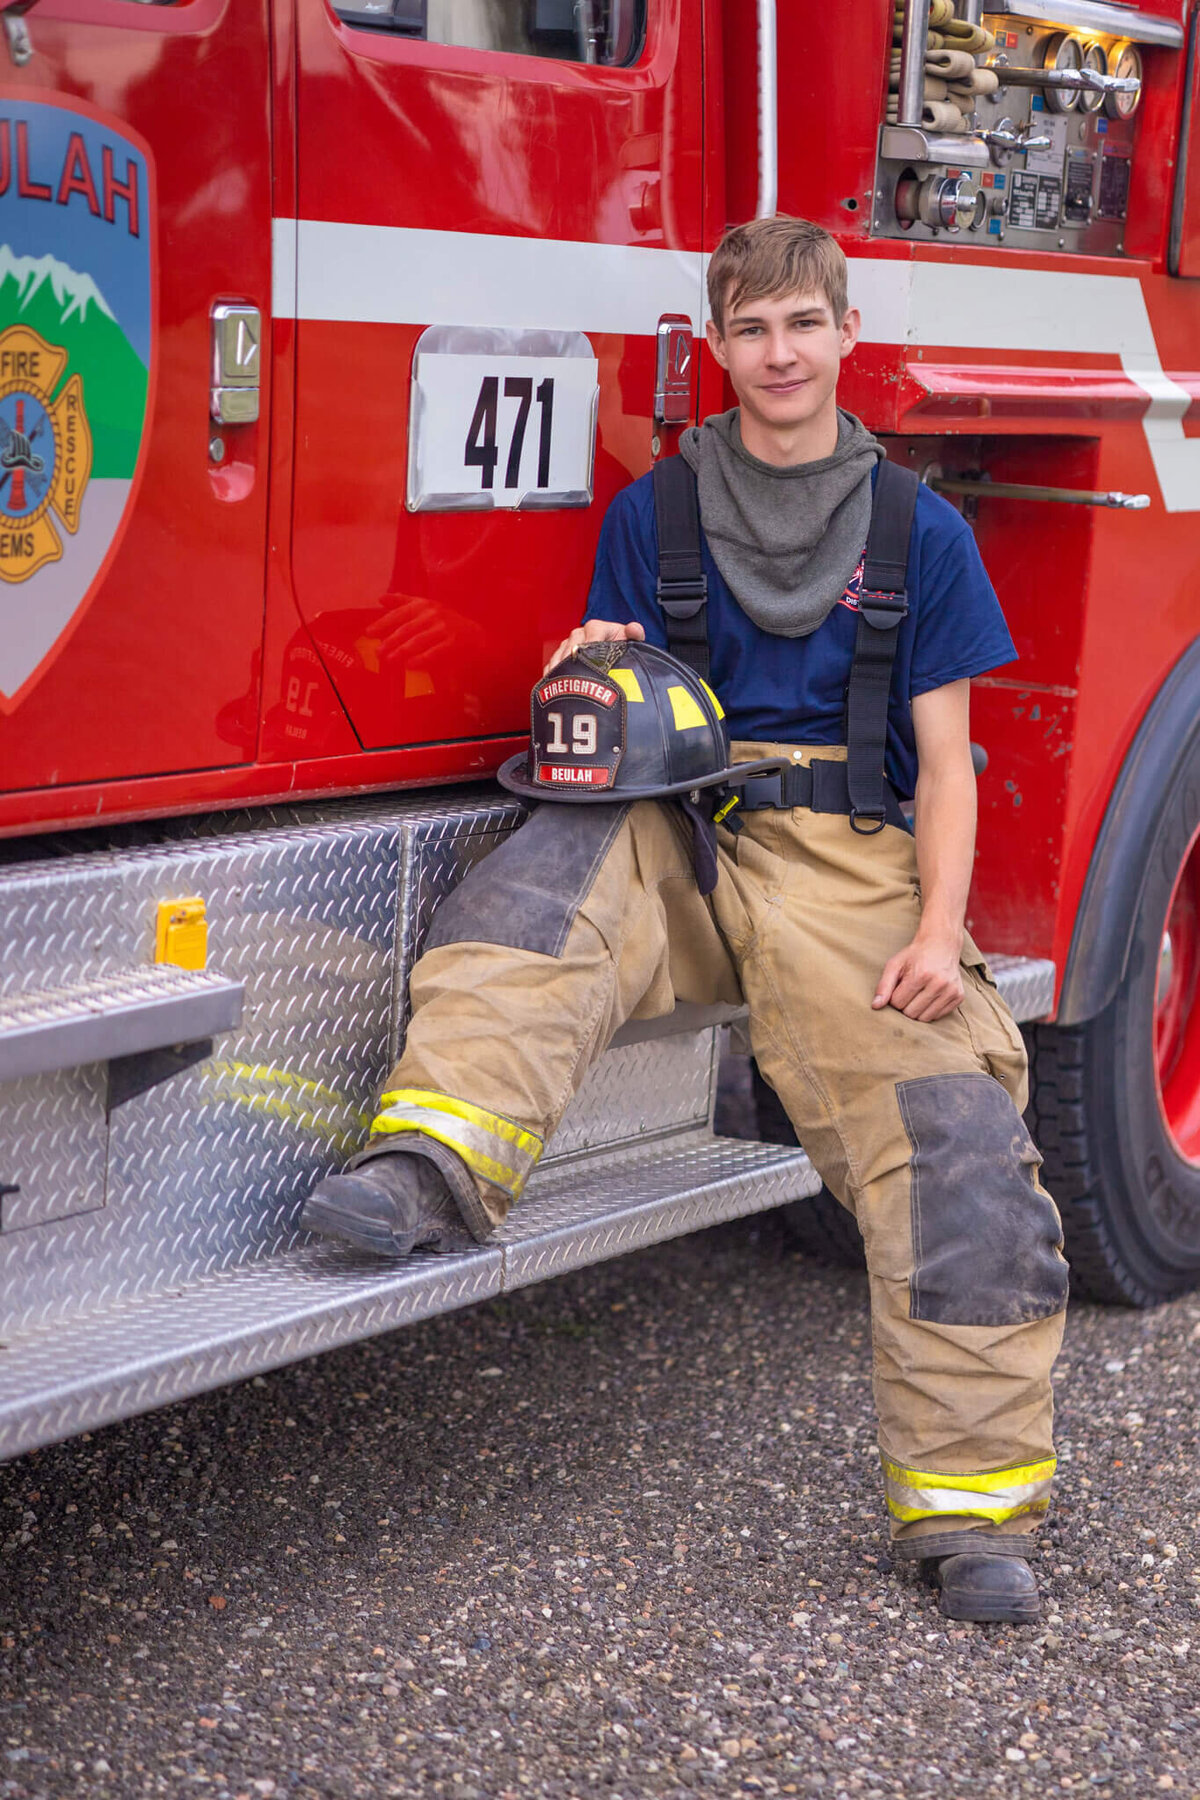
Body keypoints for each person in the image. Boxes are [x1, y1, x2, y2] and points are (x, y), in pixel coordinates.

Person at [302, 216, 1068, 1625]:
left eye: (802, 325)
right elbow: (627, 695)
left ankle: (968, 1513)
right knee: (538, 889)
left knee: (960, 1144)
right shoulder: (651, 512)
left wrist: (932, 931)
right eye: (751, 328)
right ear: (718, 348)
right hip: (689, 831)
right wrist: (589, 666)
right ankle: (433, 1163)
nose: (778, 353)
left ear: (845, 337)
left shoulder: (922, 532)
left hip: (852, 868)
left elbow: (949, 764)